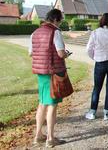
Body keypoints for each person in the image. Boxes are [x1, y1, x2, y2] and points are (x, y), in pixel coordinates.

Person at [30, 9, 70, 148]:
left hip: (40, 72)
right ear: (55, 19)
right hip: (53, 72)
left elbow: (31, 53)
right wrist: (66, 54)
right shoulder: (55, 32)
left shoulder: (35, 32)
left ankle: (38, 136)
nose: (60, 23)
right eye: (60, 20)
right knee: (52, 105)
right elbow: (60, 53)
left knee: (42, 103)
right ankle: (50, 138)